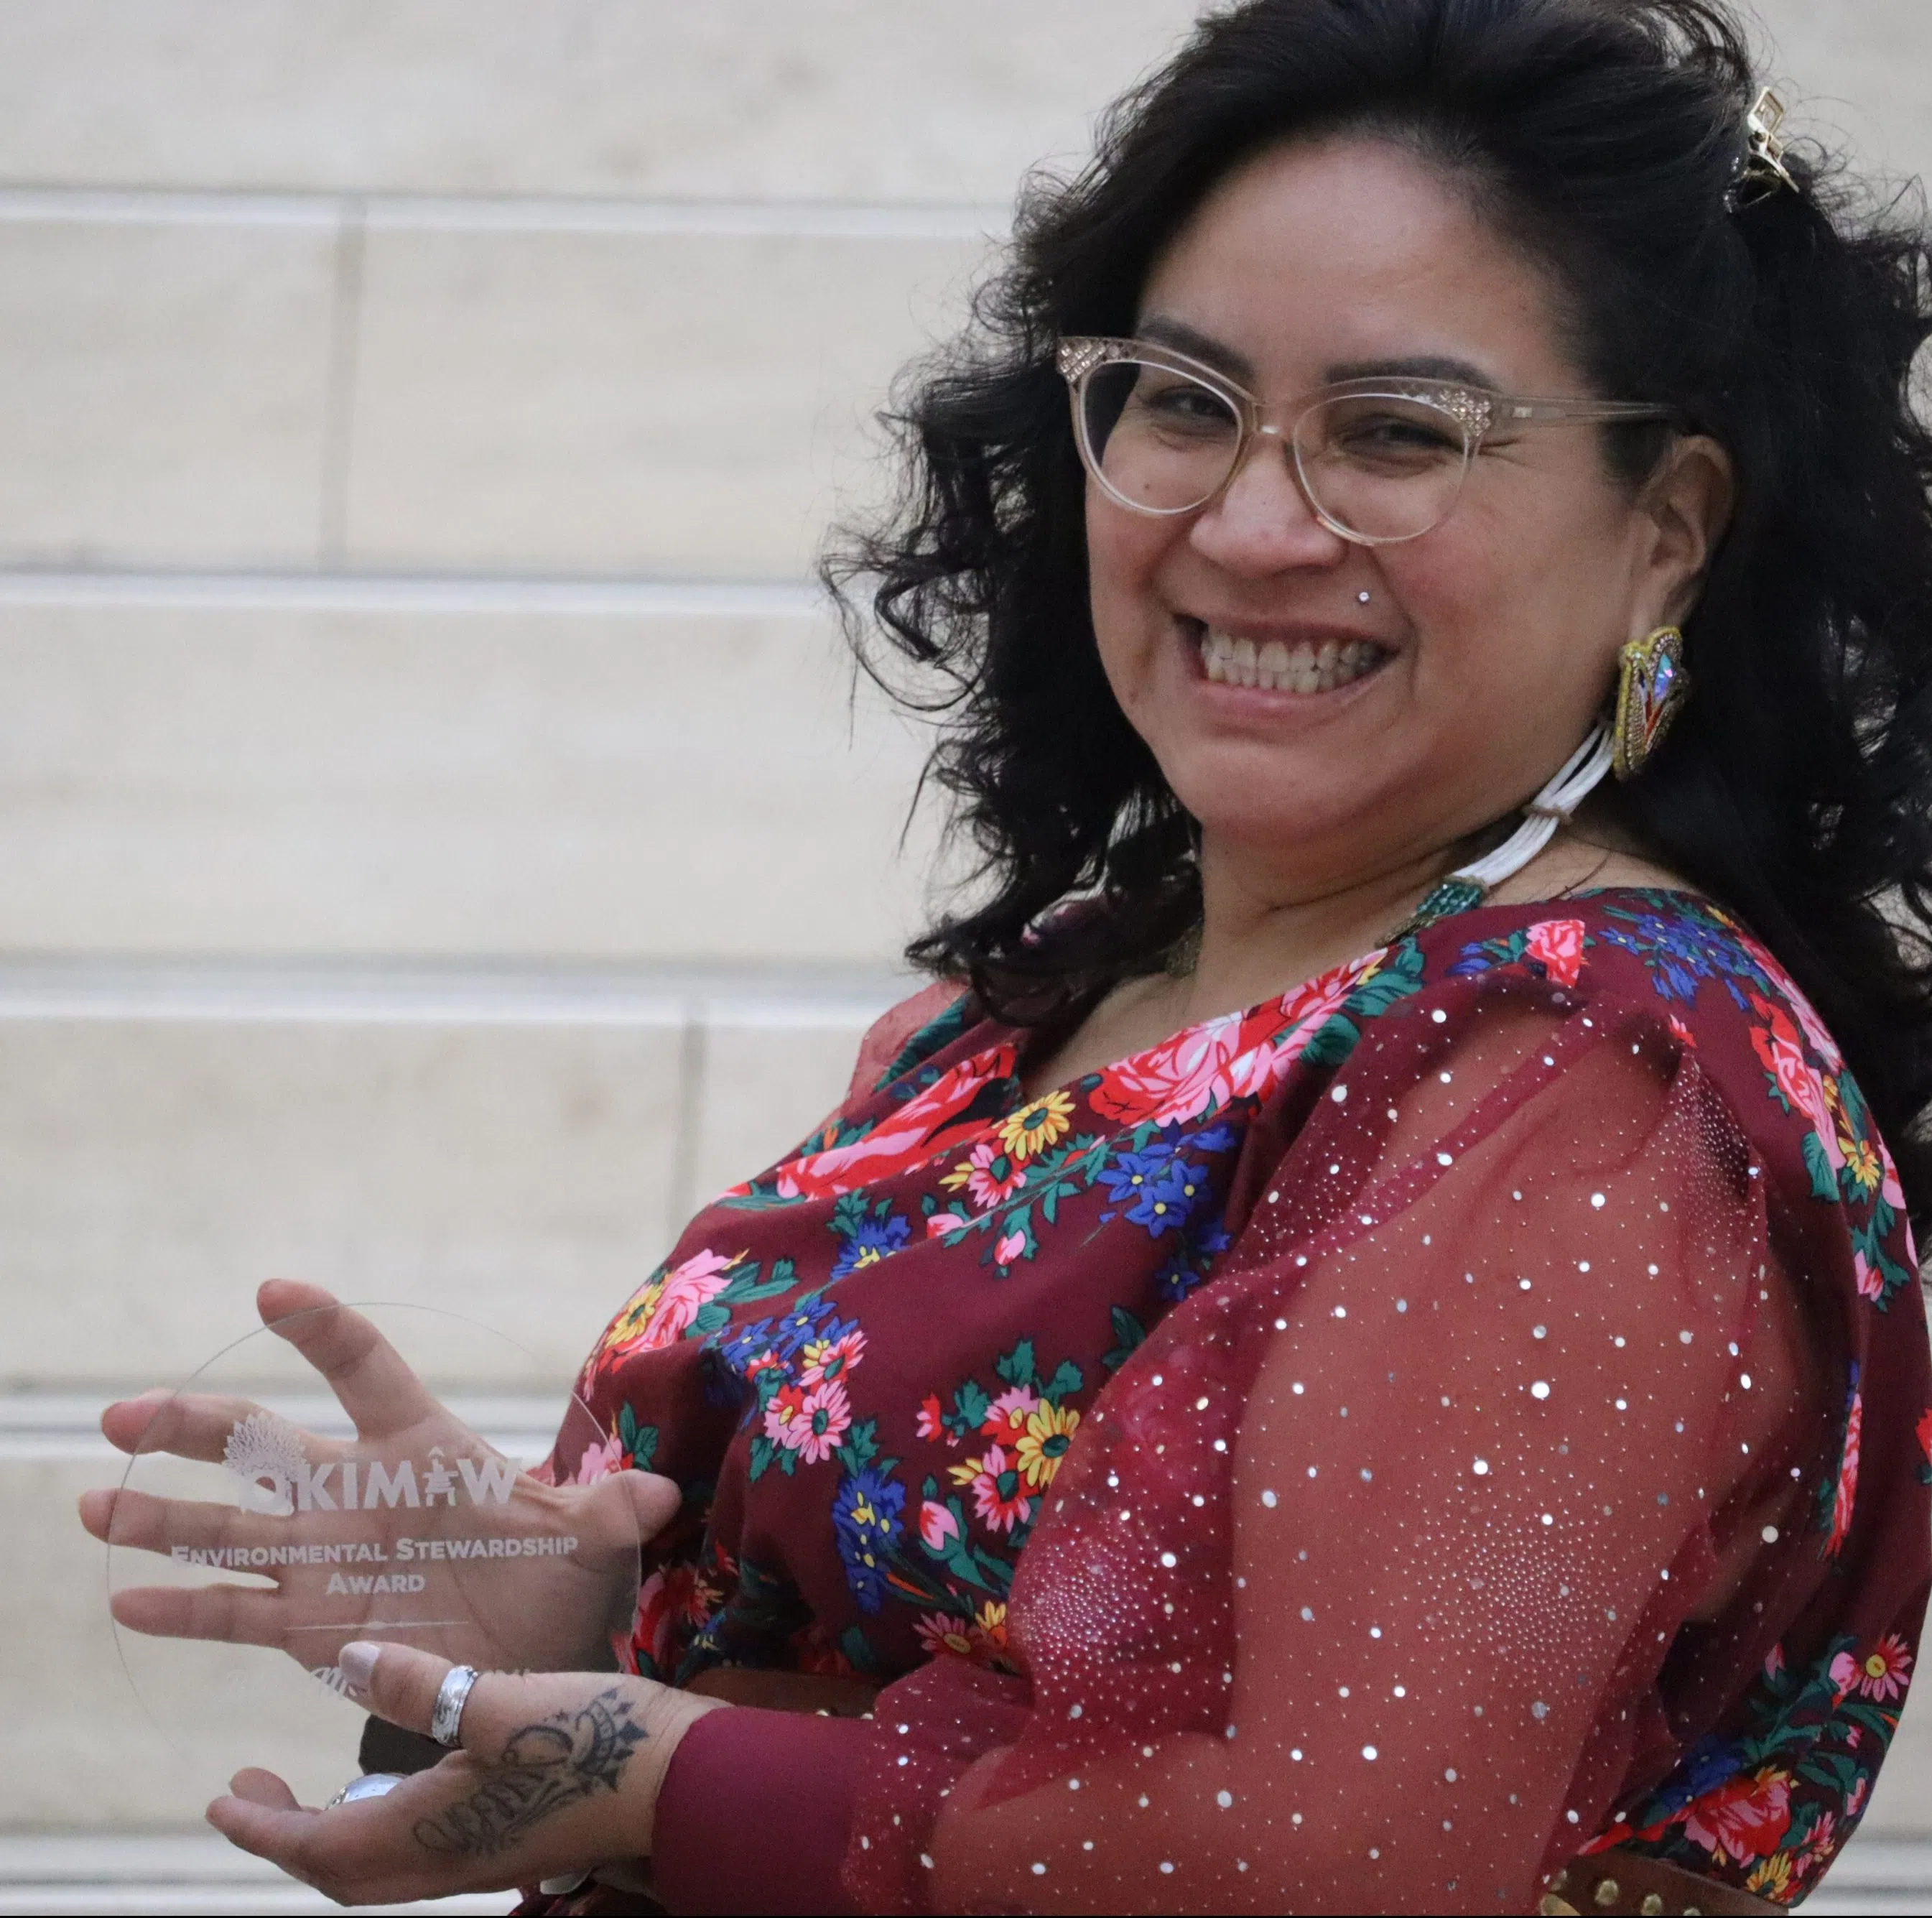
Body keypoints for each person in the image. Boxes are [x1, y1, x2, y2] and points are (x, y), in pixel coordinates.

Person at [81, 0, 1932, 1909]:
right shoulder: (1016, 1020)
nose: (1254, 519)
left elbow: (1325, 1863)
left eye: (1397, 431)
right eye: (1185, 402)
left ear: (1669, 531)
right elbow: (894, 1667)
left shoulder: (1600, 1079)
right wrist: (579, 1618)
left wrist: (666, 1769)